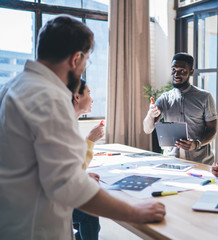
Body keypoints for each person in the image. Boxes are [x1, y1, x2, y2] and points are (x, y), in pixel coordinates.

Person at [0, 15, 165, 240]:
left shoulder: (10, 88)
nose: (84, 68)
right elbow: (69, 186)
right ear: (76, 58)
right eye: (86, 61)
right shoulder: (49, 97)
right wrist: (134, 212)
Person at [143, 53, 217, 165]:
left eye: (182, 70)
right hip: (173, 161)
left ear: (191, 72)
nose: (176, 74)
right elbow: (147, 129)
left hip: (201, 161)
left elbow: (212, 130)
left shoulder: (205, 97)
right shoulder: (164, 99)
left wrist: (196, 144)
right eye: (173, 69)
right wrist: (150, 114)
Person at [72, 79, 103, 240]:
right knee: (90, 209)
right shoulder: (64, 125)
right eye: (89, 94)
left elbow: (71, 167)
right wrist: (90, 140)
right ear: (77, 97)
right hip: (48, 202)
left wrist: (82, 175)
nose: (92, 99)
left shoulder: (69, 122)